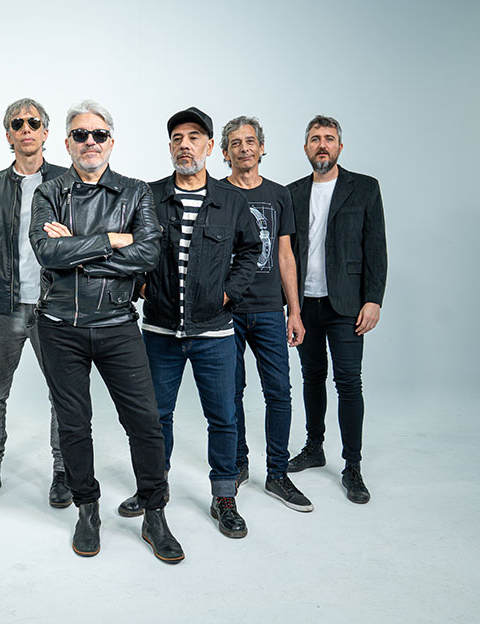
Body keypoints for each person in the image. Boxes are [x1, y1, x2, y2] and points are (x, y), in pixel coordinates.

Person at [30, 100, 184, 563]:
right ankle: (87, 510)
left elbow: (148, 255)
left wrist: (77, 251)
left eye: (98, 134)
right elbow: (46, 253)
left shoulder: (136, 192)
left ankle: (155, 514)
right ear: (67, 143)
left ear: (111, 142)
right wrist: (114, 240)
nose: (90, 142)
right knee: (74, 425)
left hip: (117, 325)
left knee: (145, 422)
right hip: (60, 327)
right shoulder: (49, 192)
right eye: (80, 134)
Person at [118, 107, 261, 539]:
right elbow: (130, 245)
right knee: (155, 417)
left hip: (214, 332)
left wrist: (227, 293)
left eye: (194, 137)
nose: (185, 145)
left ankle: (224, 497)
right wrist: (142, 286)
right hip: (160, 331)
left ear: (210, 147)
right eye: (178, 138)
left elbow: (251, 251)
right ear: (169, 147)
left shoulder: (231, 201)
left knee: (223, 417)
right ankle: (153, 489)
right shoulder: (148, 196)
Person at [0, 98, 71, 508]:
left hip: (54, 306)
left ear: (45, 132)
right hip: (4, 308)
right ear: (8, 135)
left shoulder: (68, 181)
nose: (26, 129)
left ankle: (62, 471)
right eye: (17, 123)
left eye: (33, 122)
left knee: (62, 394)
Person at [286, 115, 388, 504]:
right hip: (305, 304)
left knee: (348, 382)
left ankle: (352, 465)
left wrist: (373, 299)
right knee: (312, 378)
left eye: (329, 138)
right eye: (315, 139)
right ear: (306, 148)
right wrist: (290, 306)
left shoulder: (364, 188)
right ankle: (314, 447)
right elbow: (287, 252)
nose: (322, 145)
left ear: (340, 147)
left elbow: (375, 245)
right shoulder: (293, 193)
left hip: (346, 304)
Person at [218, 115, 313, 512]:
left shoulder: (278, 195)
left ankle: (277, 472)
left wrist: (295, 311)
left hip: (271, 310)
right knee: (231, 391)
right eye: (236, 143)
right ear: (225, 153)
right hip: (228, 311)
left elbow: (286, 255)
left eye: (250, 141)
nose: (244, 148)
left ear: (261, 148)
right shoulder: (216, 193)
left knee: (279, 392)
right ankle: (238, 463)